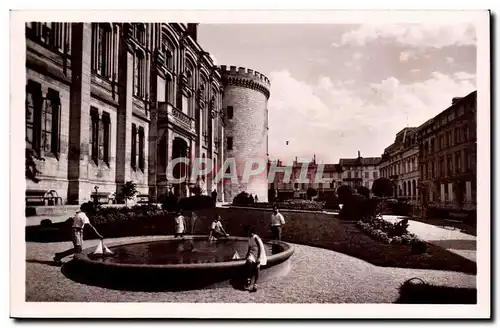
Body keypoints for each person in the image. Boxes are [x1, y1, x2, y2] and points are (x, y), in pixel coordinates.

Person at [243, 225, 267, 292]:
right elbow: (249, 248)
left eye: (249, 232)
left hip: (259, 253)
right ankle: (248, 280)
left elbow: (260, 247)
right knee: (249, 262)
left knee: (257, 267)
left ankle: (255, 284)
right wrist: (246, 256)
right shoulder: (249, 238)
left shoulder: (256, 237)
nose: (248, 233)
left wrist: (259, 258)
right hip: (253, 253)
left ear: (251, 231)